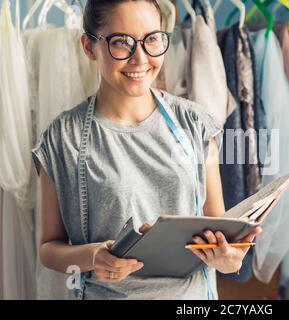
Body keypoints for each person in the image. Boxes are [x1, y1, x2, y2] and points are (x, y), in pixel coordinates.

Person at [31, 0, 261, 300]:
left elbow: (214, 223)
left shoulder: (195, 123)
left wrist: (228, 257)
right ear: (89, 47)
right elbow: (49, 249)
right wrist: (93, 256)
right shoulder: (62, 138)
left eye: (152, 39)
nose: (140, 59)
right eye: (122, 42)